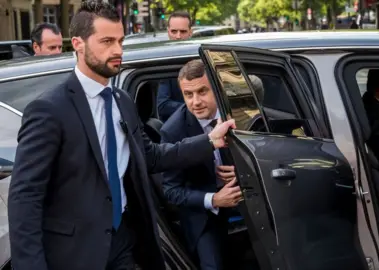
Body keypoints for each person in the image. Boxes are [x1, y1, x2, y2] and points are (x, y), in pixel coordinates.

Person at [7, 2, 235, 270]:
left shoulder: (121, 100)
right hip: (75, 254)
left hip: (124, 243)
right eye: (106, 41)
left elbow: (151, 156)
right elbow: (25, 197)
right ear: (78, 44)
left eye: (120, 40)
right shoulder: (49, 109)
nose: (117, 50)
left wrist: (209, 140)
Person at [160, 59, 243, 270]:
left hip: (247, 200)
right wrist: (214, 199)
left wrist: (243, 171)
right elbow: (171, 190)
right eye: (188, 95)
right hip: (203, 214)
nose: (195, 101)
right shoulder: (173, 131)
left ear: (216, 89)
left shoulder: (238, 112)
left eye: (202, 91)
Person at [157, 11, 193, 122]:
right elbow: (163, 105)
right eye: (174, 31)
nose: (178, 36)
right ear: (168, 32)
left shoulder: (201, 59)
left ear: (190, 33)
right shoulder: (164, 62)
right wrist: (194, 107)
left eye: (183, 31)